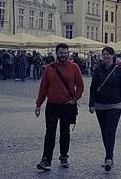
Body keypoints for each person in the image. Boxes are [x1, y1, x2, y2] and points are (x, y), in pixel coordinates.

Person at [35, 43, 84, 171]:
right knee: (50, 132)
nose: (63, 55)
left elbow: (80, 86)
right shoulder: (49, 68)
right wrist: (38, 104)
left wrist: (74, 100)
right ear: (56, 53)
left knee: (65, 132)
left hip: (67, 106)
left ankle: (63, 156)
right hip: (52, 105)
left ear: (68, 53)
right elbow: (43, 88)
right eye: (61, 53)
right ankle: (46, 159)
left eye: (65, 52)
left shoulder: (74, 67)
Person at [88, 46, 121, 171]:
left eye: (108, 54)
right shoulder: (98, 70)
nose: (105, 56)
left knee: (110, 131)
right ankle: (109, 156)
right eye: (104, 54)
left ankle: (109, 158)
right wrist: (91, 104)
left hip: (114, 105)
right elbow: (93, 87)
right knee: (104, 132)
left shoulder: (120, 71)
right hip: (100, 105)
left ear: (113, 56)